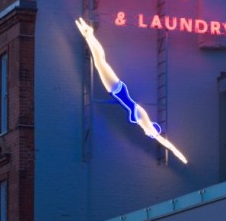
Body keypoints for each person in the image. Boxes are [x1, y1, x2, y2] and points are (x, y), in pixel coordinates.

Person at [75, 17, 187, 164]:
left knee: (100, 61)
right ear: (153, 129)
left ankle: (89, 36)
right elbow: (165, 143)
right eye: (152, 132)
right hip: (117, 90)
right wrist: (180, 156)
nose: (149, 133)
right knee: (100, 62)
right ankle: (89, 35)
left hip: (117, 91)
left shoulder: (142, 120)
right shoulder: (143, 119)